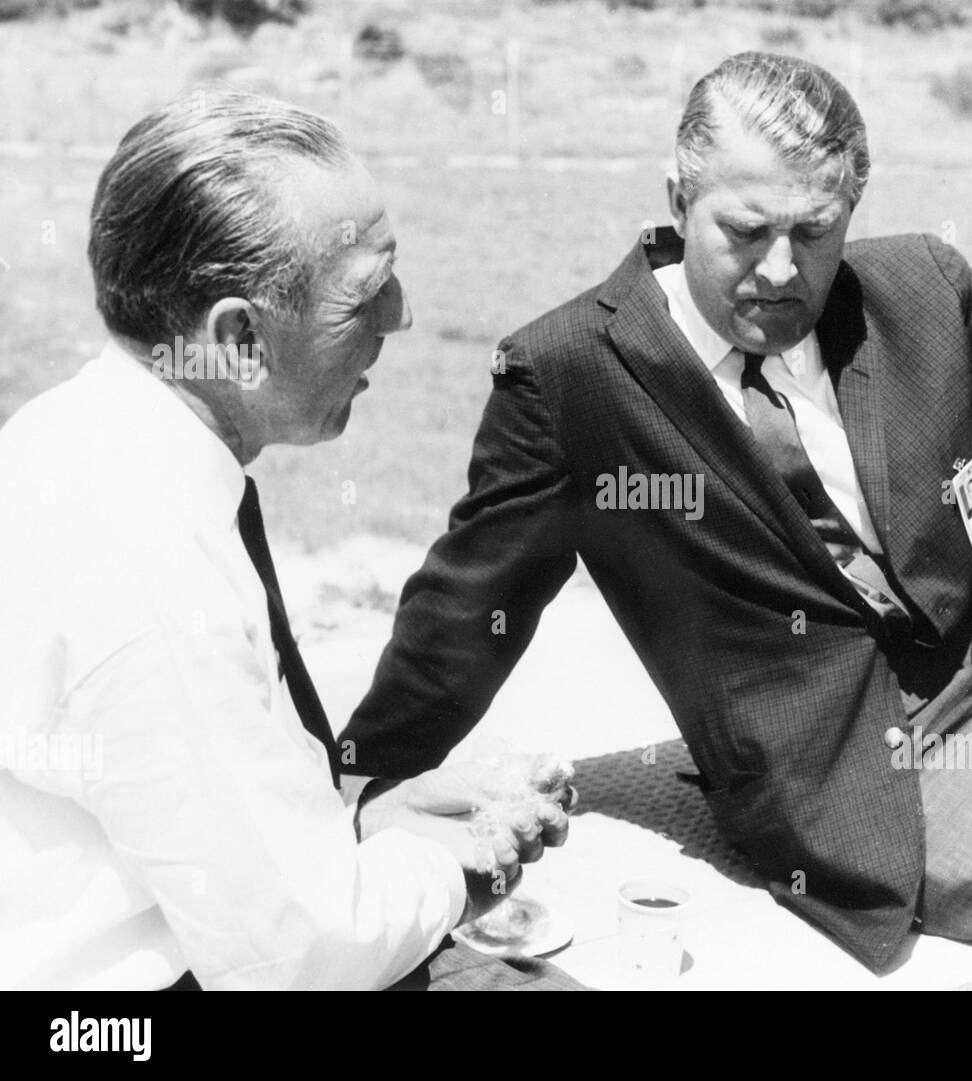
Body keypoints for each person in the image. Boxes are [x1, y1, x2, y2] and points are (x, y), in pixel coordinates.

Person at [343, 53, 972, 988]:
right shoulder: (571, 376)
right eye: (746, 230)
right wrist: (366, 782)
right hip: (893, 749)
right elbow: (467, 605)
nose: (780, 270)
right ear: (677, 198)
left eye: (815, 231)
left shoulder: (914, 285)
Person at [0, 92, 572, 991]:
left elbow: (214, 819)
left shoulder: (80, 437)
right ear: (240, 340)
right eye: (365, 293)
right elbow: (299, 957)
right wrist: (460, 863)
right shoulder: (153, 566)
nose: (401, 315)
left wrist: (361, 829)